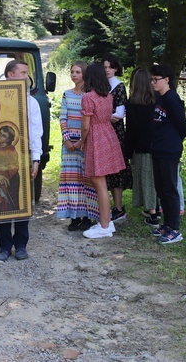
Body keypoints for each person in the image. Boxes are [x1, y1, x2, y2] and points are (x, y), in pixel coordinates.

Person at [0, 60, 43, 262]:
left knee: (22, 200)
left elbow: (35, 133)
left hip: (22, 160)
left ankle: (21, 244)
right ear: (10, 75)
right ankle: (4, 246)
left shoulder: (30, 102)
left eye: (27, 73)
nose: (26, 76)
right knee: (3, 202)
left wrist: (35, 159)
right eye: (22, 72)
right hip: (1, 162)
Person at [80, 62, 127, 239]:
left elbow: (85, 126)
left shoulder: (88, 97)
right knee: (102, 183)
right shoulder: (107, 95)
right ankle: (105, 222)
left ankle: (105, 225)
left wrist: (80, 143)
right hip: (108, 135)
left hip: (96, 138)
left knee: (99, 184)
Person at [149, 64, 186, 244]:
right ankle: (167, 224)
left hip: (169, 150)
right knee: (161, 188)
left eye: (156, 79)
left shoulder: (172, 98)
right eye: (152, 79)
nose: (153, 82)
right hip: (157, 148)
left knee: (170, 189)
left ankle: (175, 229)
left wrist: (173, 142)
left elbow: (183, 126)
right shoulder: (159, 98)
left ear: (166, 80)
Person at [57, 61, 97, 231]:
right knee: (70, 180)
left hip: (85, 143)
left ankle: (87, 216)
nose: (74, 75)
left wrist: (81, 141)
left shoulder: (89, 96)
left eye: (78, 72)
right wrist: (67, 140)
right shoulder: (67, 94)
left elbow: (90, 121)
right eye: (72, 72)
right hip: (69, 144)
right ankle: (73, 216)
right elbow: (63, 117)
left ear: (85, 74)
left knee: (85, 180)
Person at [125, 68, 160, 225]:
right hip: (158, 146)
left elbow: (131, 130)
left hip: (142, 147)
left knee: (145, 179)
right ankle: (156, 208)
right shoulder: (157, 100)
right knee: (155, 179)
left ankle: (153, 214)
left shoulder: (133, 103)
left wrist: (127, 152)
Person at [102, 54, 132, 222]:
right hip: (102, 131)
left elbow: (119, 114)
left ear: (115, 68)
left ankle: (119, 208)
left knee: (116, 171)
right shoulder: (100, 85)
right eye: (105, 67)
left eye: (110, 67)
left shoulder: (119, 86)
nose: (107, 70)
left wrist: (103, 115)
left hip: (115, 132)